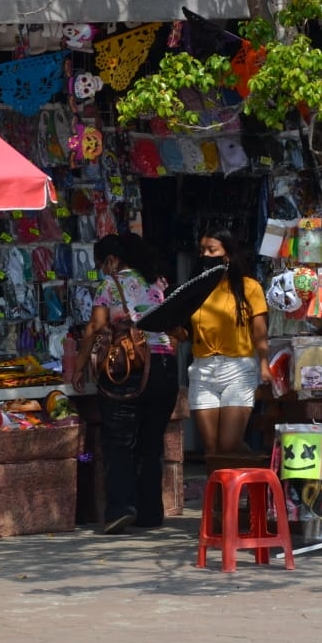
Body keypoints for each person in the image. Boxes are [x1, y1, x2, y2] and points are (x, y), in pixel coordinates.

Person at [72, 232, 181, 534]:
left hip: (129, 366)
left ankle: (121, 508)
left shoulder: (110, 284)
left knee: (118, 441)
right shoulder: (158, 282)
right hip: (165, 365)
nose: (103, 271)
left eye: (102, 264)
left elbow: (95, 326)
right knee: (151, 440)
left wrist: (79, 367)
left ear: (113, 260)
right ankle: (151, 512)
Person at [184, 227, 271, 456]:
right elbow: (184, 330)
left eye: (211, 249)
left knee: (228, 445)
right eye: (202, 250)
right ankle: (219, 492)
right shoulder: (194, 287)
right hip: (202, 369)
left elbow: (259, 331)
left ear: (228, 255)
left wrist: (264, 365)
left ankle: (256, 466)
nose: (205, 255)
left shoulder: (249, 287)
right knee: (212, 449)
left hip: (238, 368)